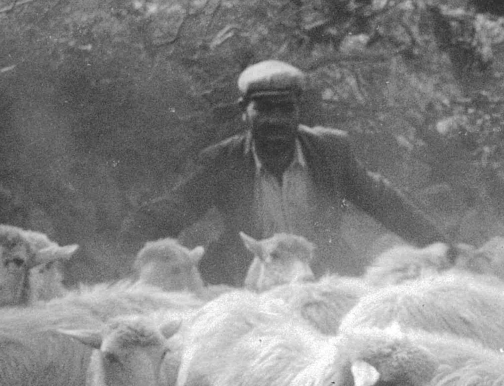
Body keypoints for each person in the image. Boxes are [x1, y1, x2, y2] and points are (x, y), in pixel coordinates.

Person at [122, 59, 448, 283]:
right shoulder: (223, 160)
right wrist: (132, 256)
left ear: (298, 110)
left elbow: (382, 199)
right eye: (264, 109)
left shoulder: (330, 150)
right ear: (244, 111)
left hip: (323, 275)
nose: (276, 120)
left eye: (285, 109)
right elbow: (173, 209)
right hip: (248, 280)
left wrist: (440, 244)